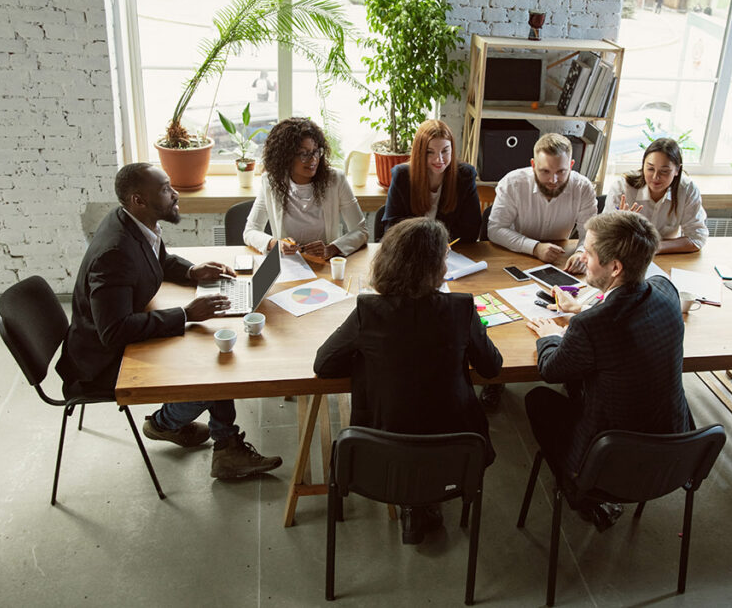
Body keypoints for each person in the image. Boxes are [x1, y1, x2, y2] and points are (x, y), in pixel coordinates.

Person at [57, 163, 283, 480]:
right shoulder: (114, 252)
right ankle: (167, 424)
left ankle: (222, 444)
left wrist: (192, 272)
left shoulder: (133, 223)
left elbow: (157, 259)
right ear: (139, 199)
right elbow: (114, 332)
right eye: (165, 188)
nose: (175, 193)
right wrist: (186, 314)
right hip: (103, 363)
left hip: (112, 339)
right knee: (212, 367)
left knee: (212, 350)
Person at [314, 217, 502, 544]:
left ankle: (413, 504)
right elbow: (492, 367)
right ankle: (423, 502)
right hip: (456, 451)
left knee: (408, 425)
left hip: (379, 452)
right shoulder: (461, 309)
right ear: (434, 268)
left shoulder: (368, 310)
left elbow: (324, 364)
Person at [523, 210, 692, 532]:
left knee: (538, 399)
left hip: (612, 462)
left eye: (589, 251)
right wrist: (585, 309)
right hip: (676, 453)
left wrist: (550, 336)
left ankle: (579, 492)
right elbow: (626, 316)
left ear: (615, 267)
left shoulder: (590, 327)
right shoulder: (665, 290)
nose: (581, 257)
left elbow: (551, 369)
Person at [483, 132, 597, 409]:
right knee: (506, 323)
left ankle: (571, 371)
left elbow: (592, 233)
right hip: (513, 256)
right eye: (545, 171)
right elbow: (495, 229)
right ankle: (495, 378)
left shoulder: (583, 187)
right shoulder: (513, 182)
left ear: (571, 165)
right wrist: (534, 247)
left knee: (567, 317)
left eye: (561, 172)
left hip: (560, 263)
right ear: (533, 164)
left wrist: (583, 252)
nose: (554, 180)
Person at [243, 118, 369, 258]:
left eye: (316, 151)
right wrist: (275, 244)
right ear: (286, 157)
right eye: (304, 154)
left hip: (325, 264)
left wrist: (331, 249)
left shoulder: (336, 180)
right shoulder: (271, 182)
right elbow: (250, 231)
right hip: (289, 265)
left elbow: (361, 231)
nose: (313, 159)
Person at [382, 119, 481, 243]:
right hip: (410, 251)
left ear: (452, 149)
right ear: (420, 153)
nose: (439, 159)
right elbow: (392, 229)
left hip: (451, 253)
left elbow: (471, 230)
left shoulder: (465, 176)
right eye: (430, 152)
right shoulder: (402, 176)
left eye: (445, 151)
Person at [603, 137, 708, 253]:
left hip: (667, 256)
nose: (655, 177)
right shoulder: (622, 188)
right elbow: (602, 236)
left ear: (677, 170)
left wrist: (656, 247)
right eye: (650, 169)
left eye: (664, 171)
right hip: (627, 254)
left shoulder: (687, 190)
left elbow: (697, 238)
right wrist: (619, 227)